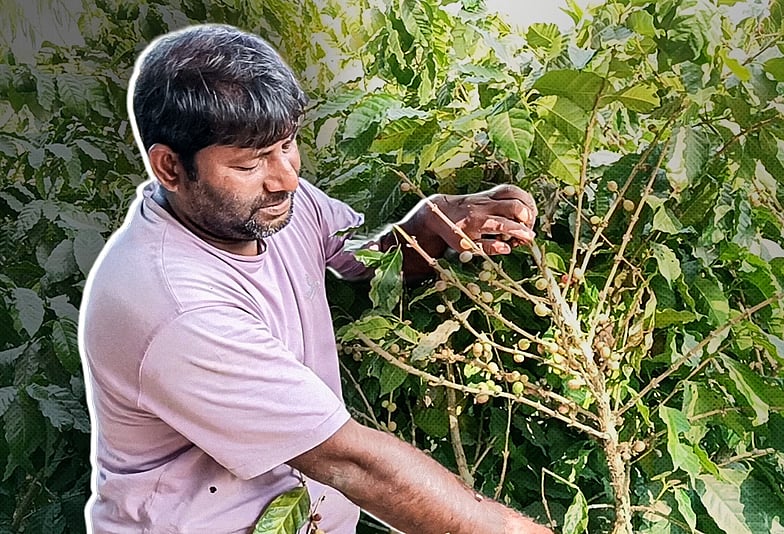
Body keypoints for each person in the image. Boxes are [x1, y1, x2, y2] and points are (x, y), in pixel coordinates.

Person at [79, 23, 553, 534]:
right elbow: (352, 464)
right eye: (250, 164)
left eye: (287, 144)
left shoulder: (273, 207)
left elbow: (369, 258)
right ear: (170, 168)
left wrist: (430, 223)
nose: (286, 178)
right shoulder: (174, 304)